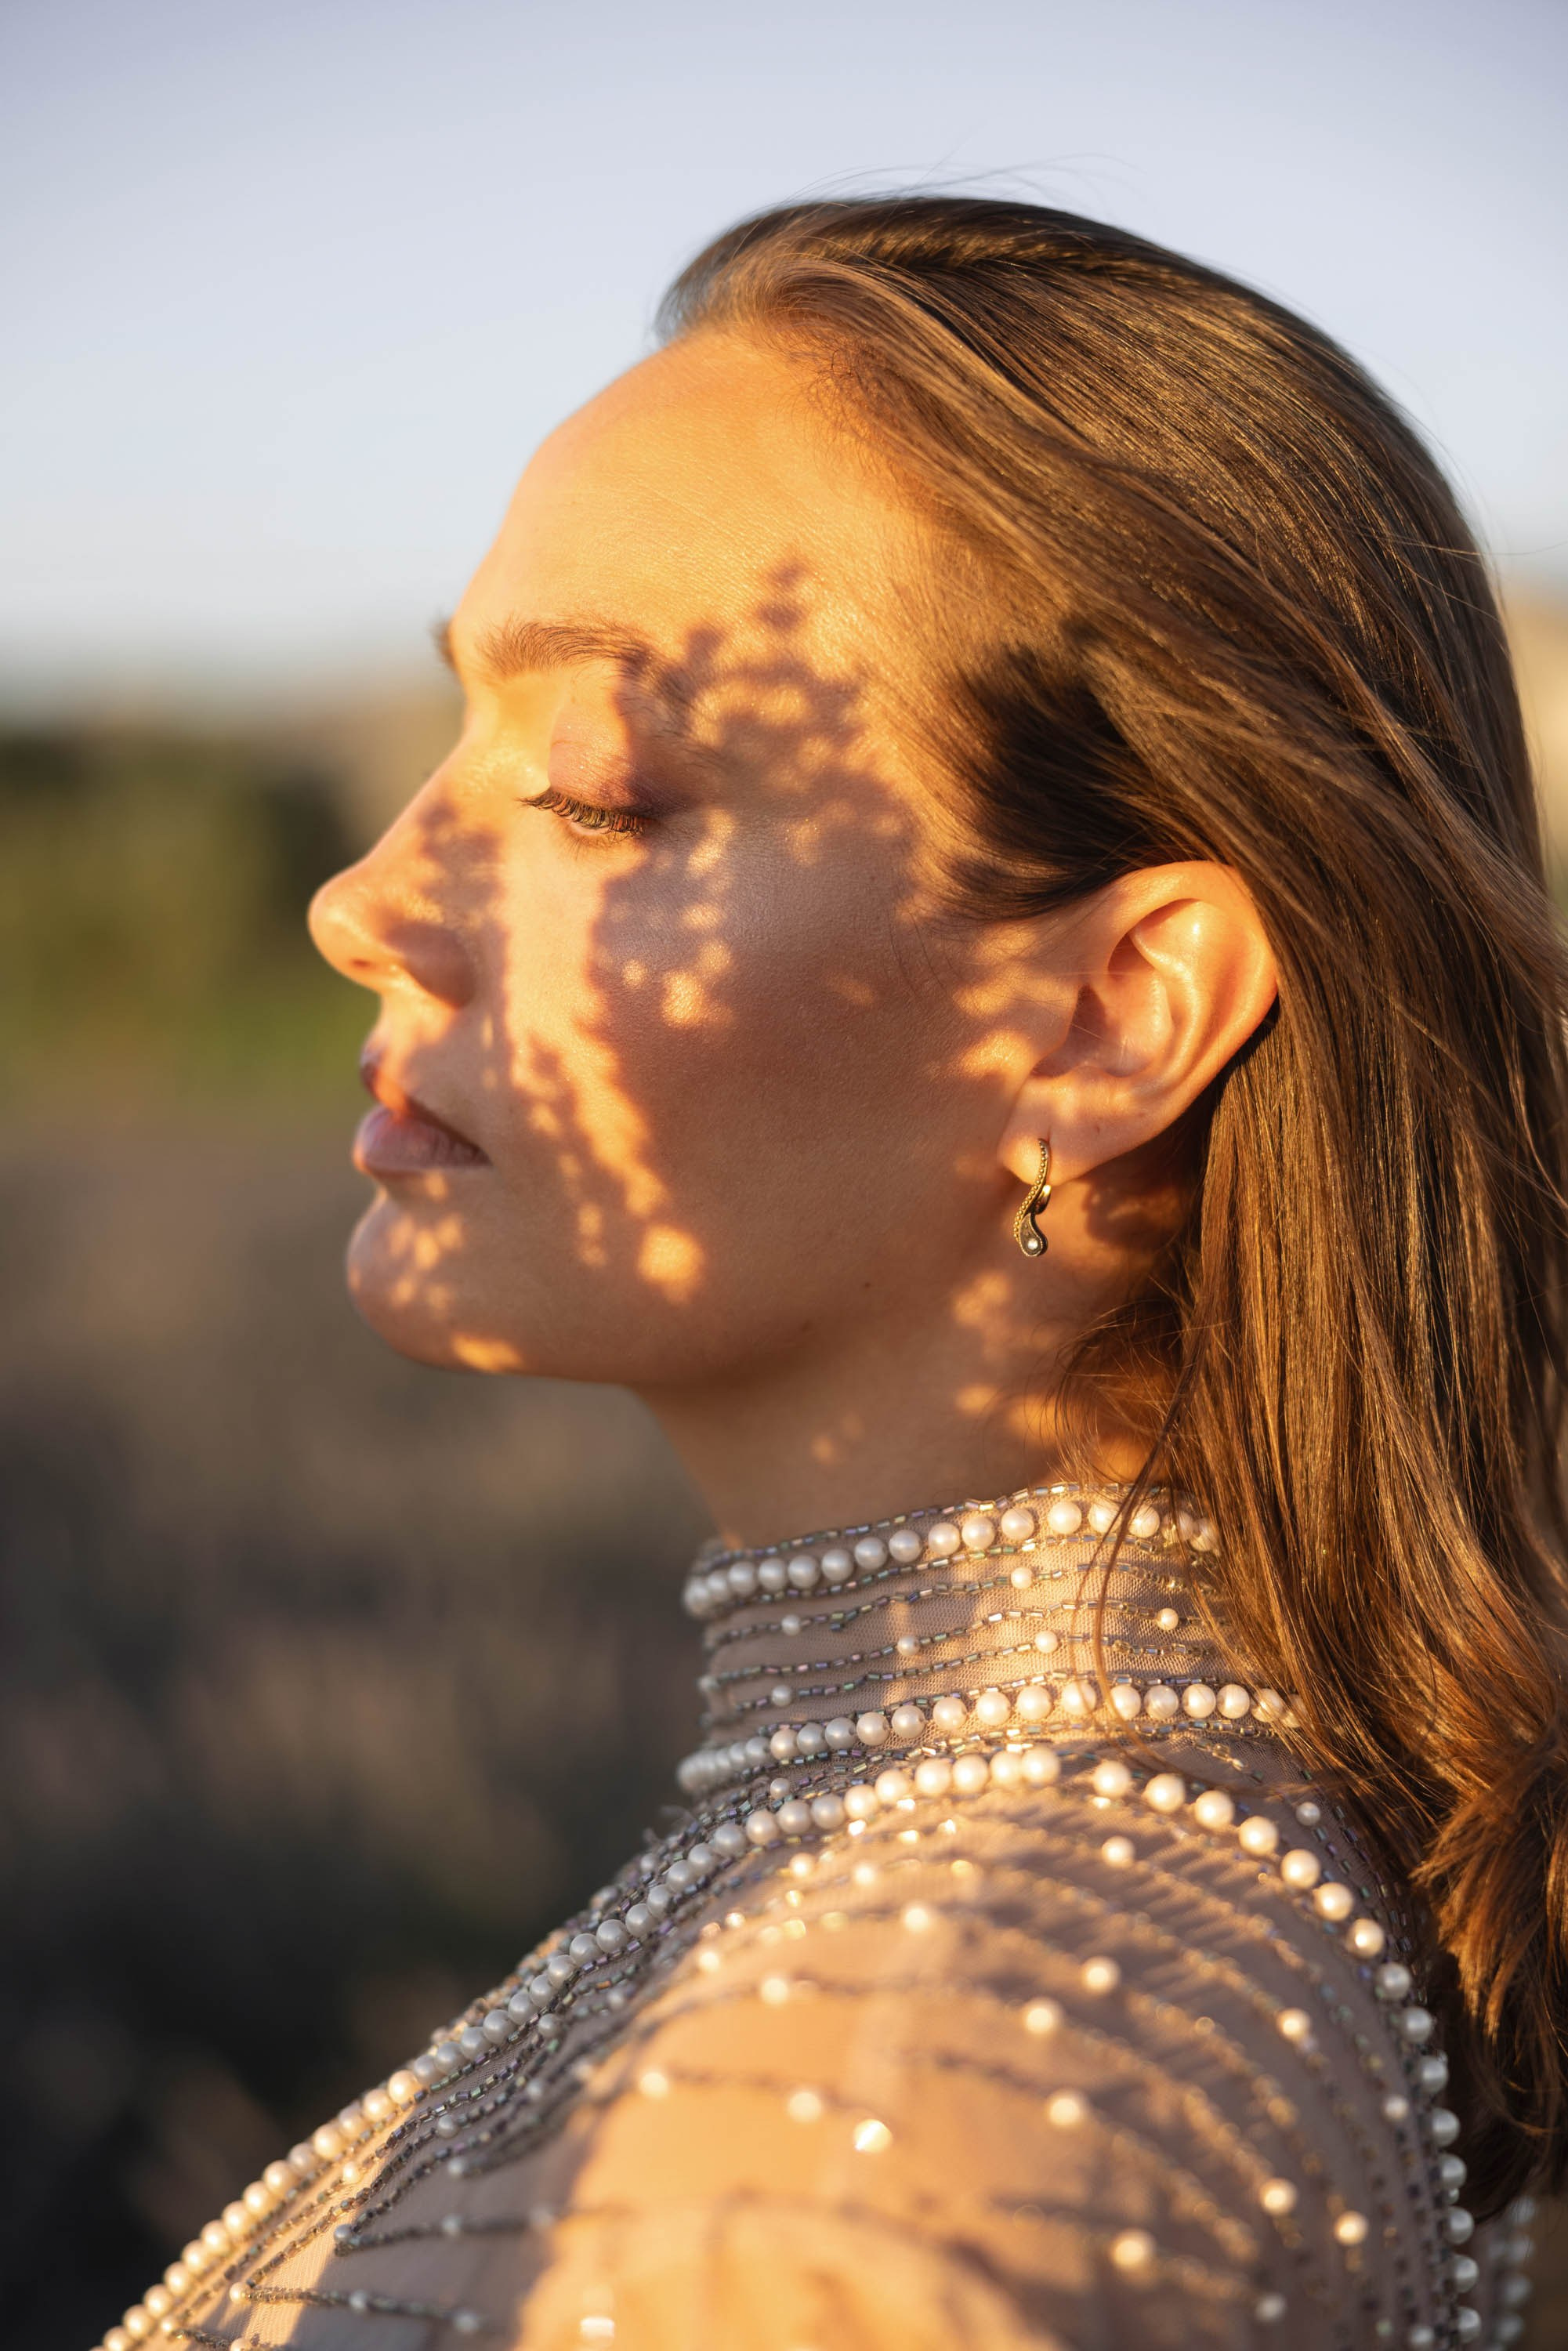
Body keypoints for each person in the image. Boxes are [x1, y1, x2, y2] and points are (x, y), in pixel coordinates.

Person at [96, 197, 1562, 2350]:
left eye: (591, 795)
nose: (358, 898)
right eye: (449, 747)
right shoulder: (1145, 1913)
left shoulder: (873, 2159)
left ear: (1106, 1017)